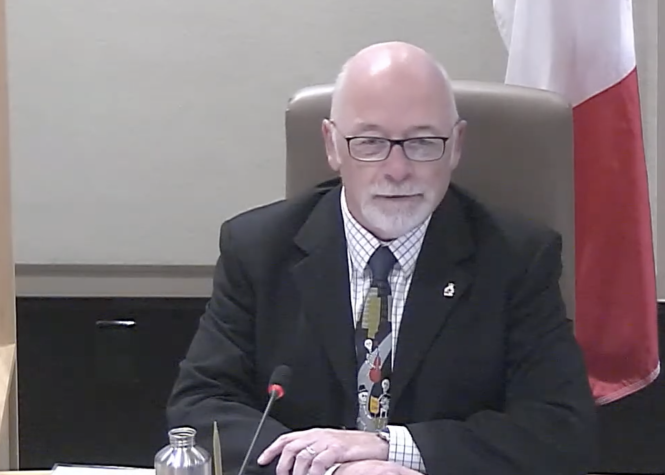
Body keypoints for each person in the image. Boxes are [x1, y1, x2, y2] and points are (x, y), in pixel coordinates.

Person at [166, 41, 597, 475]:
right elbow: (200, 408)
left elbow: (560, 430)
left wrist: (391, 449)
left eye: (422, 142)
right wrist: (326, 466)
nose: (396, 169)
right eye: (370, 143)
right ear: (332, 146)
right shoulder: (258, 248)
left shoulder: (516, 258)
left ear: (456, 146)